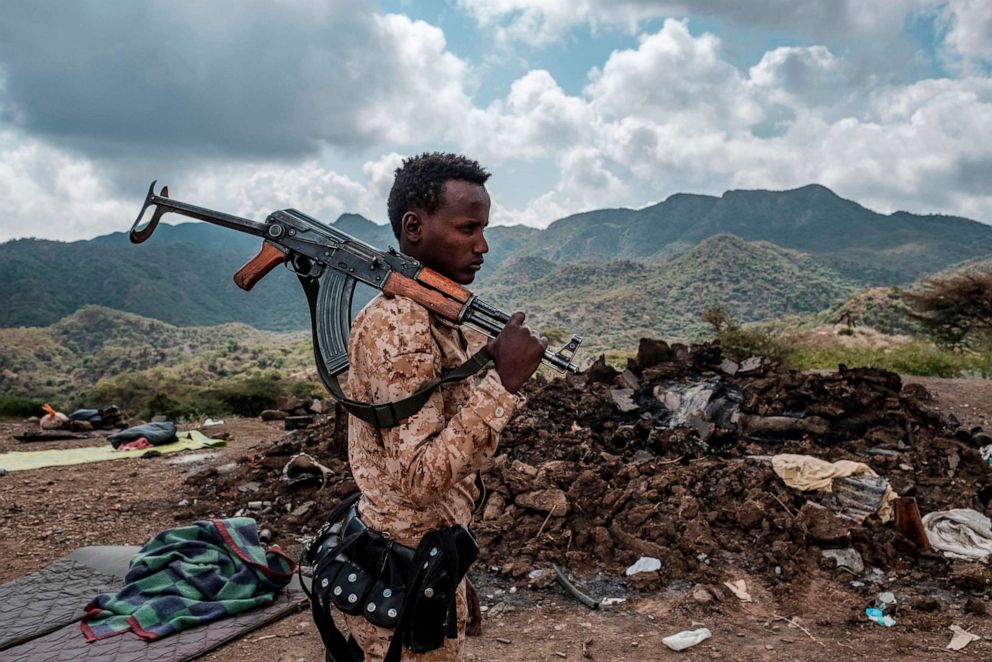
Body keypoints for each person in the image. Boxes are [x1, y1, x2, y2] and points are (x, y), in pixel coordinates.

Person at [337, 152, 547, 661]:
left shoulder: (436, 315)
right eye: (468, 228)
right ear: (414, 227)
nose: (483, 245)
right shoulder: (398, 325)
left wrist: (454, 570)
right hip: (400, 571)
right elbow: (418, 476)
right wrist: (503, 384)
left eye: (484, 228)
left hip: (423, 560)